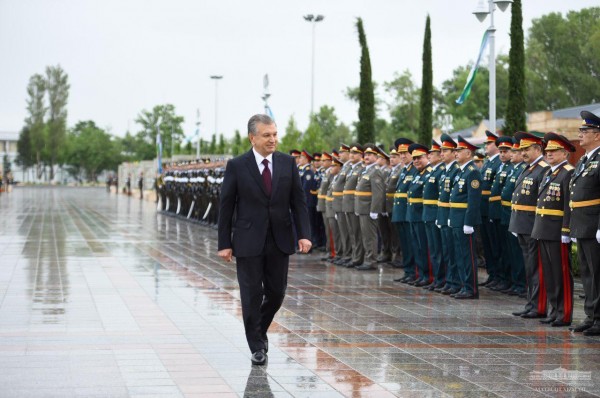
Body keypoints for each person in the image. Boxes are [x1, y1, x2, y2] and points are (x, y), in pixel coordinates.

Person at [217, 114, 311, 365]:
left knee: (277, 292)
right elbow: (226, 206)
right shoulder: (237, 165)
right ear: (252, 137)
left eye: (275, 134)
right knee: (250, 295)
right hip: (248, 240)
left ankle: (257, 329)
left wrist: (304, 234)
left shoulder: (287, 163)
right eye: (267, 135)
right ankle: (257, 346)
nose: (273, 140)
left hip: (279, 238)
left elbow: (298, 201)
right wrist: (224, 243)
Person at [531, 132, 575, 327]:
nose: (549, 154)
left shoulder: (568, 172)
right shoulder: (549, 173)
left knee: (561, 273)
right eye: (547, 150)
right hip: (544, 229)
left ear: (564, 153)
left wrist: (566, 230)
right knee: (549, 272)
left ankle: (564, 313)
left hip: (557, 230)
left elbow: (568, 205)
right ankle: (554, 309)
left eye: (554, 151)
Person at [509, 132, 550, 319]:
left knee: (536, 268)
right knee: (529, 267)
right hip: (523, 225)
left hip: (534, 225)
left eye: (526, 149)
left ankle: (539, 306)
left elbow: (543, 202)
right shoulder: (528, 168)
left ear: (538, 149)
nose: (523, 153)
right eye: (521, 149)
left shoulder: (543, 169)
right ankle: (531, 303)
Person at [569, 110, 600, 335]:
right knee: (587, 273)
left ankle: (599, 318)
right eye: (580, 131)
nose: (581, 135)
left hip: (594, 223)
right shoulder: (583, 160)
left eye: (585, 131)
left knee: (597, 272)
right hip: (581, 223)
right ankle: (591, 315)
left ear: (597, 135)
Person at [448, 136, 483, 299]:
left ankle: (471, 288)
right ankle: (463, 285)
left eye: (459, 150)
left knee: (468, 255)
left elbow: (473, 201)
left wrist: (469, 222)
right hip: (456, 218)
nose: (455, 153)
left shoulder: (473, 172)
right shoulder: (461, 171)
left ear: (468, 153)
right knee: (460, 255)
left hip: (465, 221)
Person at [353, 144, 385, 270]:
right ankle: (367, 258)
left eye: (370, 155)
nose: (367, 157)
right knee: (364, 236)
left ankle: (371, 260)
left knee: (370, 236)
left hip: (368, 209)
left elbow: (378, 194)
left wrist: (374, 210)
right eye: (365, 155)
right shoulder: (366, 170)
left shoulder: (376, 171)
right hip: (362, 208)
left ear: (376, 157)